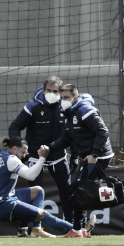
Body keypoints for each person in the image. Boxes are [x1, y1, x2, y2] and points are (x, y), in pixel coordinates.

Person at [0, 137, 96, 238]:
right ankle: (77, 229)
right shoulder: (11, 159)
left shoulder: (1, 155)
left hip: (1, 199)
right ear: (14, 149)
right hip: (2, 205)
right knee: (41, 214)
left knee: (38, 190)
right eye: (23, 152)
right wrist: (42, 158)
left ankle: (36, 229)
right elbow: (31, 175)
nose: (25, 155)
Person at [9, 76, 77, 236]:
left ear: (60, 92)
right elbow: (15, 126)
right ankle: (24, 228)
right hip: (34, 156)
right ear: (43, 90)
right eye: (49, 90)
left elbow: (72, 133)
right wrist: (19, 150)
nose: (51, 94)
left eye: (55, 91)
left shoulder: (66, 107)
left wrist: (74, 155)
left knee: (66, 191)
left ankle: (72, 228)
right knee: (34, 192)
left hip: (58, 156)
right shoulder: (32, 107)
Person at [48, 84, 114, 238]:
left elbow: (103, 132)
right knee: (79, 191)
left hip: (98, 157)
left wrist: (95, 154)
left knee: (79, 191)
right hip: (87, 157)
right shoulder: (68, 113)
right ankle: (80, 229)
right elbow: (66, 138)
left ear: (75, 98)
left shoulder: (84, 111)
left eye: (67, 98)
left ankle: (78, 230)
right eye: (62, 98)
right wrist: (49, 148)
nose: (63, 101)